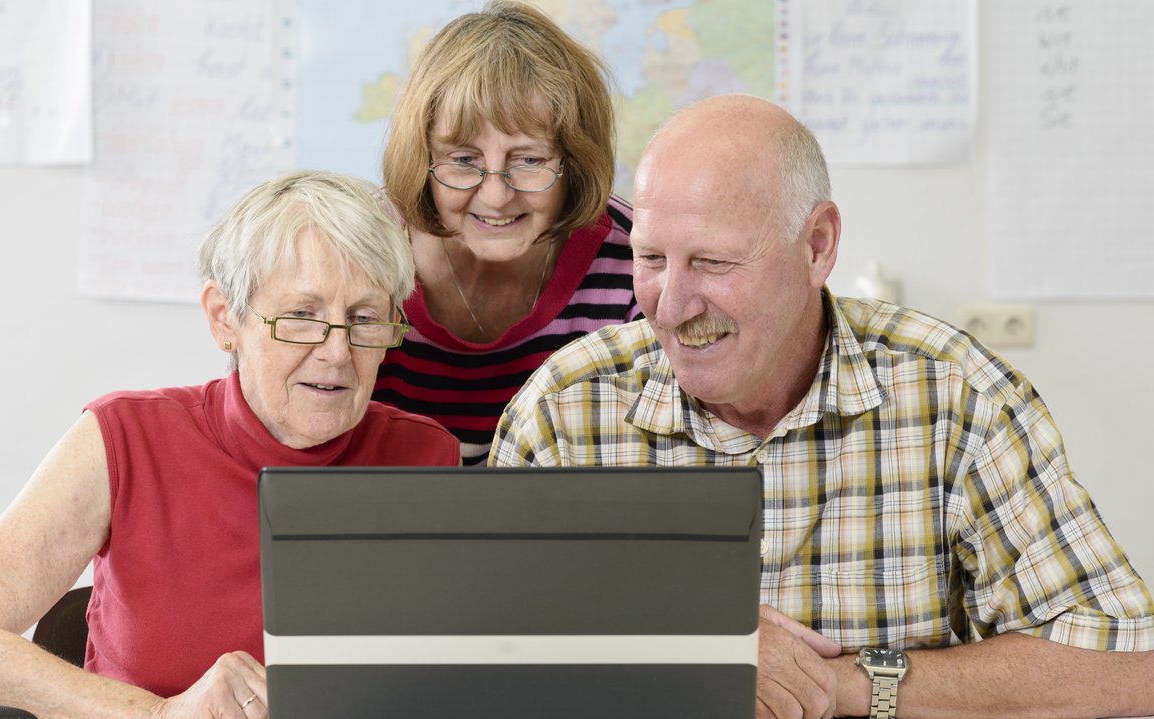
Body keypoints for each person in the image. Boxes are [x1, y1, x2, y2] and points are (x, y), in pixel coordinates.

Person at [490, 94, 1154, 718]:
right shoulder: (564, 413)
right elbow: (480, 661)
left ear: (818, 247)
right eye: (652, 258)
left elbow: (1128, 669)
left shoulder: (954, 395)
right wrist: (684, 657)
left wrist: (845, 683)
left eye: (713, 262)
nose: (672, 303)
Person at [0, 170, 460, 718]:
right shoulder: (124, 438)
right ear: (225, 318)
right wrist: (158, 714)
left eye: (364, 319)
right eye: (301, 316)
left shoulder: (426, 458)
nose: (337, 353)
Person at [374, 0, 639, 465]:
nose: (495, 196)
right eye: (462, 160)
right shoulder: (358, 253)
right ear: (423, 157)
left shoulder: (641, 261)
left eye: (530, 160)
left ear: (574, 163)